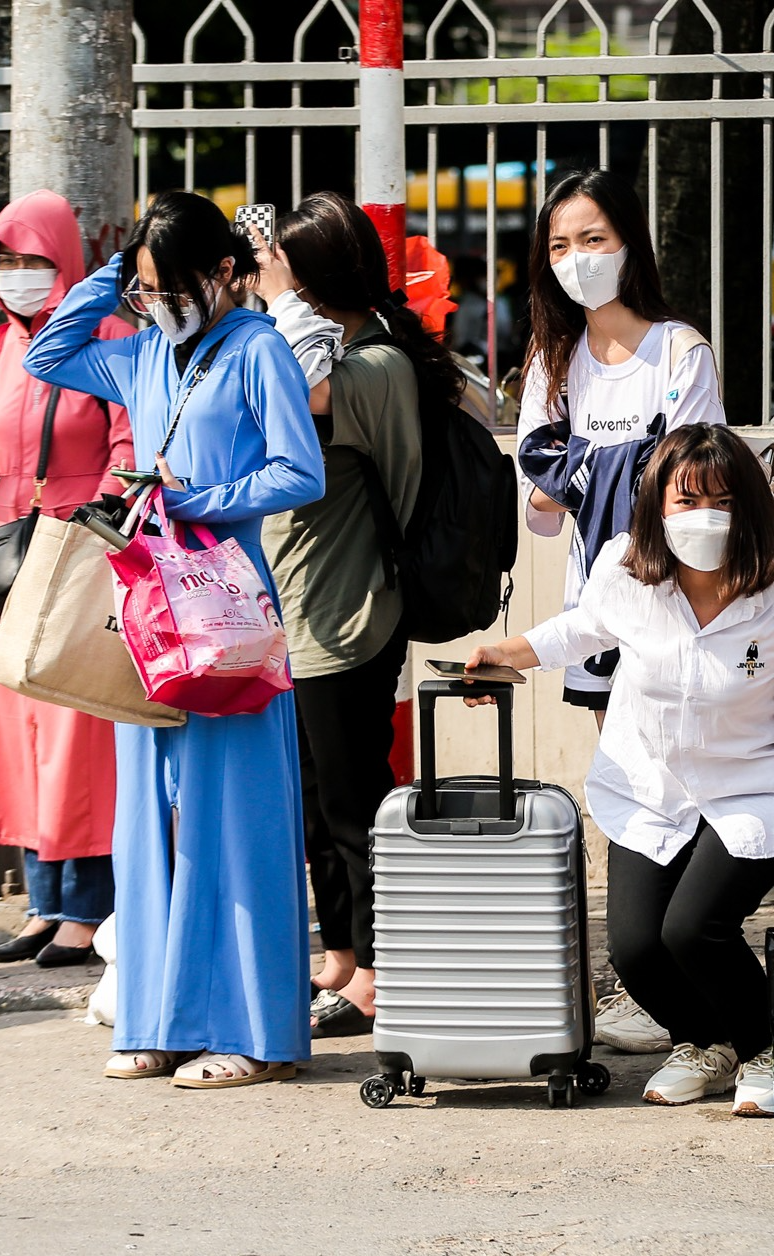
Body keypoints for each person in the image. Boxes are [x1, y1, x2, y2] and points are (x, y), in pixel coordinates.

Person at [464, 423, 774, 1116]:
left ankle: (768, 1047)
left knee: (694, 930)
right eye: (685, 500)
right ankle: (703, 1043)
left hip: (749, 789)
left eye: (721, 499)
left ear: (750, 508)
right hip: (648, 789)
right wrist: (506, 651)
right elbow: (582, 629)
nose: (702, 516)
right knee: (637, 947)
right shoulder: (625, 567)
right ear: (657, 506)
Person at [25, 191, 324, 1088]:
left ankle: (258, 1035)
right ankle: (156, 1020)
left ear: (225, 271)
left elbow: (298, 470)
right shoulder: (144, 351)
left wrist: (198, 496)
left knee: (239, 819)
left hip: (228, 605)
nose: (158, 304)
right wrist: (118, 273)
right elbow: (50, 352)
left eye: (171, 285)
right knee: (145, 821)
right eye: (146, 289)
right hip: (147, 607)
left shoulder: (260, 349)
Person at [515, 169, 729, 1058]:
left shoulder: (679, 352)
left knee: (687, 776)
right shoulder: (551, 365)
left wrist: (592, 473)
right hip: (599, 617)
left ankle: (682, 970)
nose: (578, 261)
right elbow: (537, 490)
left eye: (593, 239)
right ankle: (649, 981)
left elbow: (695, 477)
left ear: (630, 243)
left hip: (686, 613)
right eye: (561, 246)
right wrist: (599, 472)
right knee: (634, 781)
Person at [252, 191, 460, 1039]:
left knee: (352, 805)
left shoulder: (372, 368)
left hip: (351, 612)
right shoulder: (345, 350)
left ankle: (377, 970)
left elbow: (285, 398)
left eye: (289, 267)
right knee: (314, 803)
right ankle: (339, 953)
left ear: (318, 278)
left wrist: (275, 300)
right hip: (303, 613)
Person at [0, 190, 133, 967]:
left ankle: (89, 908)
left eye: (32, 261)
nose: (16, 275)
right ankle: (44, 903)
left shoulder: (106, 335)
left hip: (76, 555)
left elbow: (126, 442)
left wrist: (97, 523)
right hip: (9, 556)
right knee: (17, 731)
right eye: (4, 262)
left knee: (77, 731)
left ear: (66, 262)